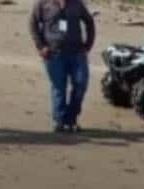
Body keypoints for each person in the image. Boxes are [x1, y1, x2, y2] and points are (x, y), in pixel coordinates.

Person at [29, 0, 95, 133]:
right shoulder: (43, 4)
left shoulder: (77, 3)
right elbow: (33, 24)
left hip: (77, 52)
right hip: (53, 53)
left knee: (81, 83)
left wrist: (88, 45)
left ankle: (71, 118)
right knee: (59, 87)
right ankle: (60, 120)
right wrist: (40, 46)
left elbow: (89, 22)